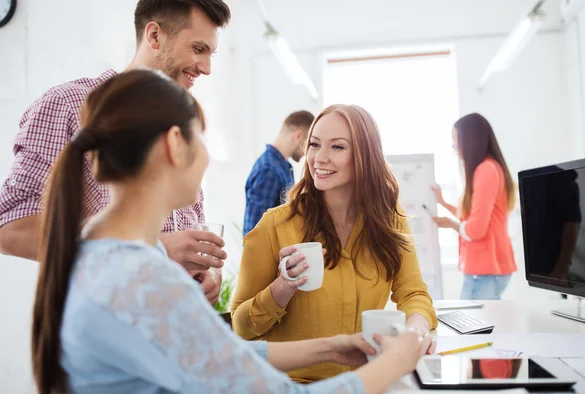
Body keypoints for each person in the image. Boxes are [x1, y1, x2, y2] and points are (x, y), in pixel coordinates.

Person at [31, 69, 432, 394]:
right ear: (175, 144)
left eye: (337, 147)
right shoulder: (143, 280)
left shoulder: (107, 254)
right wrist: (399, 360)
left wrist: (332, 346)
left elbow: (217, 356)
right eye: (201, 137)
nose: (320, 158)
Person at [0, 0, 231, 304]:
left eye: (210, 54)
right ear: (154, 36)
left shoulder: (182, 122)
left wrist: (209, 276)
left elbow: (190, 227)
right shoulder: (69, 105)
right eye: (198, 49)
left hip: (171, 328)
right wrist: (151, 247)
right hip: (108, 324)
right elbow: (11, 226)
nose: (207, 68)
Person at [231, 104, 437, 383]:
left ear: (365, 156)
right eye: (314, 145)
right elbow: (240, 327)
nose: (319, 158)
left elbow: (414, 294)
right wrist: (282, 288)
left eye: (337, 147)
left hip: (366, 381)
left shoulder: (389, 222)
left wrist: (414, 334)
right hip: (291, 386)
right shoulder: (275, 226)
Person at [431, 113, 517, 300]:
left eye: (456, 139)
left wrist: (451, 224)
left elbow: (476, 229)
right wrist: (443, 203)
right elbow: (473, 215)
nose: (454, 145)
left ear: (469, 139)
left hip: (485, 269)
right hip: (486, 269)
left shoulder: (485, 170)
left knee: (477, 326)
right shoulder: (489, 168)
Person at [243, 110, 315, 236]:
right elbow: (255, 230)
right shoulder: (269, 168)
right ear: (298, 136)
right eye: (310, 144)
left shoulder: (283, 167)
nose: (308, 152)